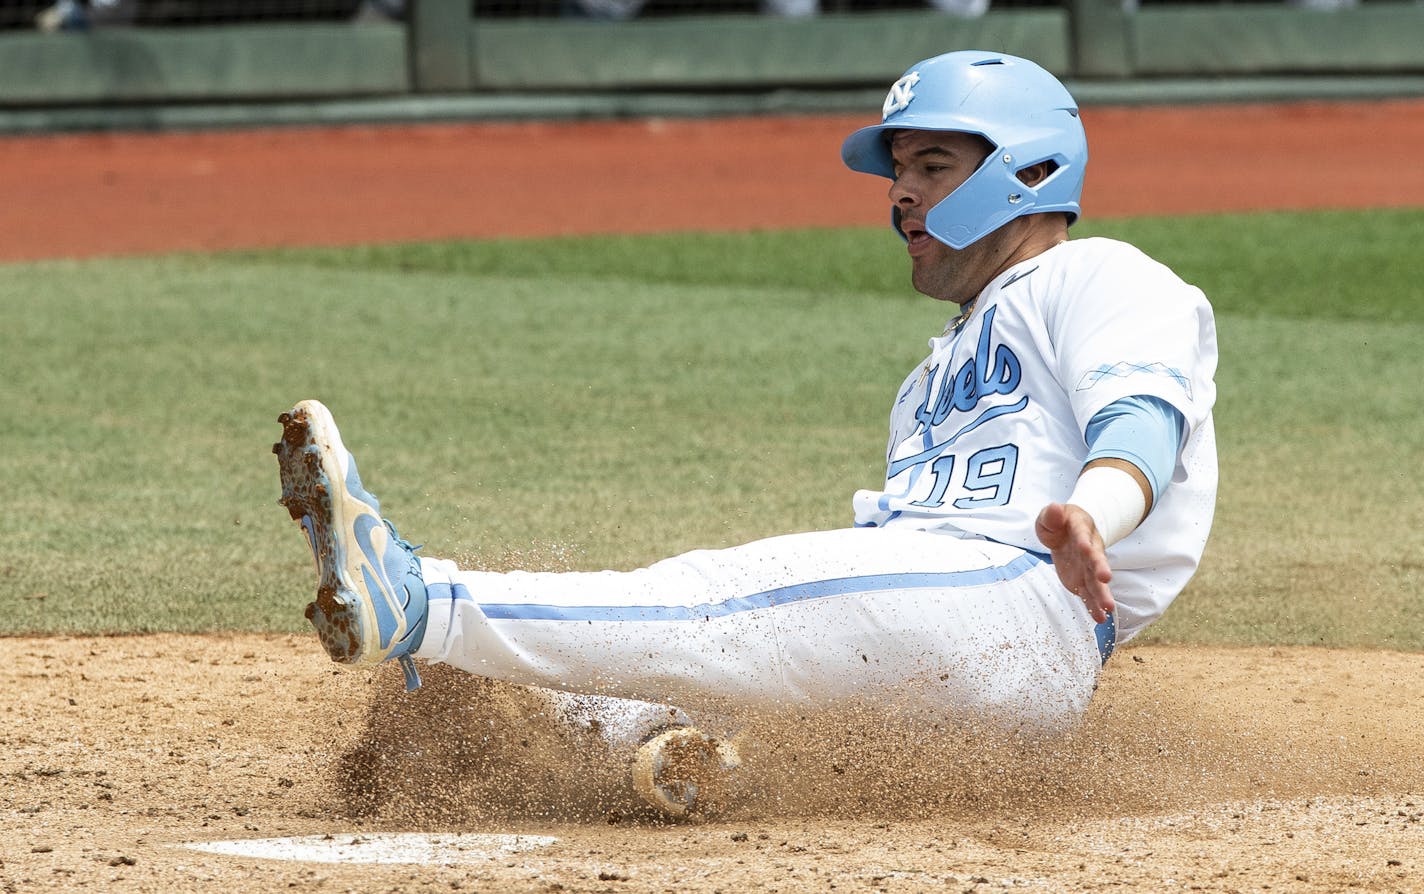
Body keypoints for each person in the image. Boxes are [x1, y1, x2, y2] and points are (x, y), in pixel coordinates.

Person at [273, 49, 1217, 818]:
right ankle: (672, 749)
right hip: (955, 652)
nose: (901, 195)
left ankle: (416, 603)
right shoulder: (934, 371)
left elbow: (1141, 413)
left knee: (722, 598)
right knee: (686, 656)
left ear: (1030, 173)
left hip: (1016, 604)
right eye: (898, 171)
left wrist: (1093, 513)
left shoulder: (1098, 275)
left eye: (933, 167)